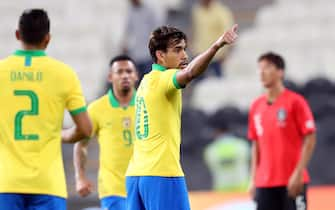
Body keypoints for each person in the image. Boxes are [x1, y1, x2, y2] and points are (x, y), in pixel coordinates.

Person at [125, 24, 238, 210]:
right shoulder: (164, 79)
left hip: (136, 174)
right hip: (161, 173)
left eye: (184, 49)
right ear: (160, 55)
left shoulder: (146, 81)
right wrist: (217, 46)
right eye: (177, 50)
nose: (184, 55)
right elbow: (191, 72)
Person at [0, 9, 92, 210]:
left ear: (17, 34)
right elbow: (86, 129)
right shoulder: (64, 74)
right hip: (48, 184)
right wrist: (66, 135)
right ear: (48, 38)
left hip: (5, 182)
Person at [62, 55, 138, 210]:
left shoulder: (147, 104)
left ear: (136, 75)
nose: (125, 75)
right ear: (110, 77)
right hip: (113, 189)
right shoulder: (97, 109)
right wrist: (80, 177)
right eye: (120, 72)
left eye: (129, 71)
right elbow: (81, 145)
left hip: (143, 186)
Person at [248, 52, 316, 210]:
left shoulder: (296, 102)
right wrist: (253, 179)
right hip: (265, 183)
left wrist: (298, 173)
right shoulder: (256, 106)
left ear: (280, 72)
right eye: (260, 68)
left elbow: (310, 139)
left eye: (267, 67)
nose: (262, 72)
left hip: (292, 181)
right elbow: (256, 145)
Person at [204, 113, 249, 191]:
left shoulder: (211, 150)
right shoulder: (242, 145)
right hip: (243, 189)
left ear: (216, 131)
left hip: (222, 191)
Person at [191, 0, 234, 78]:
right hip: (199, 54)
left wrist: (225, 52)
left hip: (217, 56)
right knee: (199, 85)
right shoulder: (196, 10)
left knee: (218, 85)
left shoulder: (222, 11)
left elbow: (228, 33)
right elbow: (196, 30)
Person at [122, 0, 159, 81]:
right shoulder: (131, 12)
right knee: (138, 82)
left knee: (149, 81)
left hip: (148, 55)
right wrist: (125, 44)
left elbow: (157, 30)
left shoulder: (149, 10)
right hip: (136, 55)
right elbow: (128, 31)